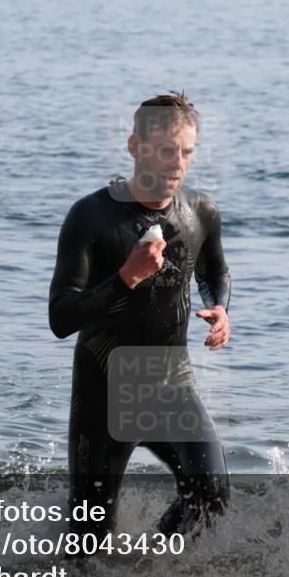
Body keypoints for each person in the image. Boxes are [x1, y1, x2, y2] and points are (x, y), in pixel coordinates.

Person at [48, 91, 232, 539]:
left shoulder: (200, 212)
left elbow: (214, 270)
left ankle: (153, 570)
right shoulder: (91, 217)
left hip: (171, 384)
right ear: (136, 147)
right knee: (88, 538)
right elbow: (60, 317)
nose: (178, 164)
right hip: (102, 394)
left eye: (187, 152)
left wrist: (221, 307)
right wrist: (126, 277)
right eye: (167, 151)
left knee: (212, 493)